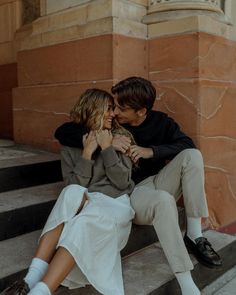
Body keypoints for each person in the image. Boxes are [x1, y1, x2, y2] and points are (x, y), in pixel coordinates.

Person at [54, 77, 222, 295]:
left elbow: (186, 144)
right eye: (113, 106)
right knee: (163, 200)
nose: (114, 112)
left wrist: (151, 151)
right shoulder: (112, 124)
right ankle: (186, 282)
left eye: (121, 108)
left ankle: (195, 234)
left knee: (193, 155)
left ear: (141, 111)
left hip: (158, 181)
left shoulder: (161, 122)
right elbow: (64, 131)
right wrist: (106, 142)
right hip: (134, 191)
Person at [3, 89, 135, 295]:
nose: (113, 114)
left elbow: (122, 182)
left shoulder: (121, 137)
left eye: (113, 109)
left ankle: (41, 291)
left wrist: (108, 148)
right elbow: (73, 184)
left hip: (114, 203)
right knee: (70, 192)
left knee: (82, 221)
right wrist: (87, 153)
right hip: (84, 200)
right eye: (108, 109)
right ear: (92, 109)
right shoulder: (72, 143)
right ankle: (31, 278)